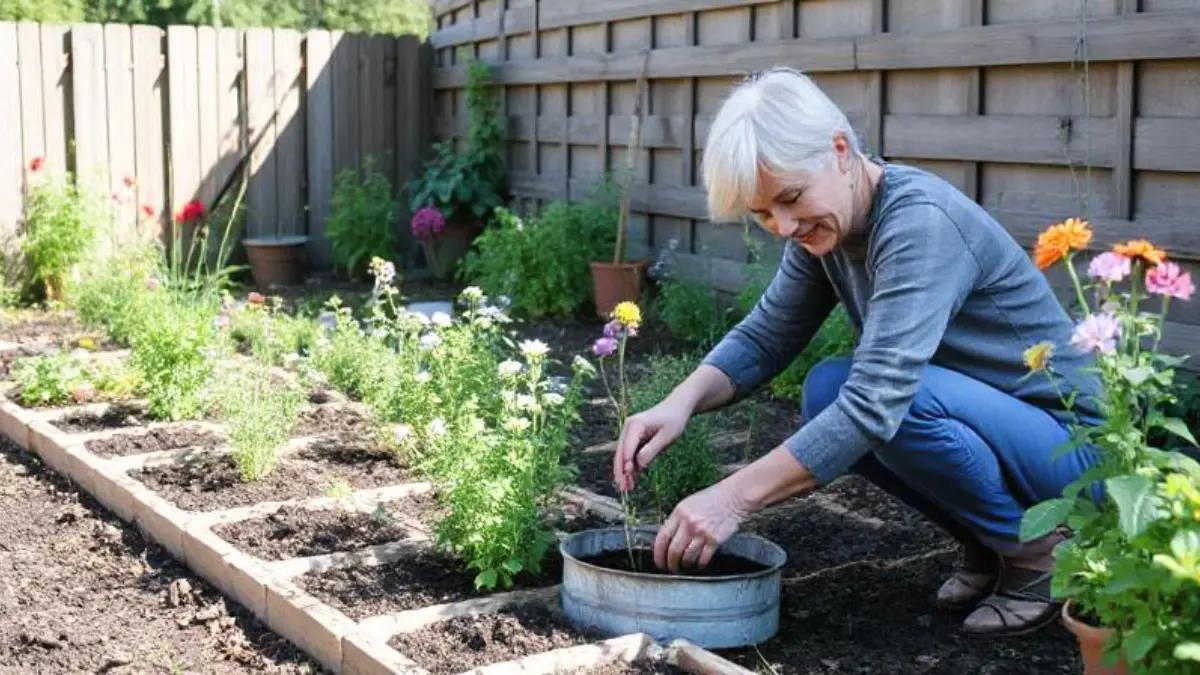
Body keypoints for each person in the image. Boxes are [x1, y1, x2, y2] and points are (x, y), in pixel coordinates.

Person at [611, 66, 1106, 638]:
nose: (784, 225)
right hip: (1007, 433)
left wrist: (731, 499)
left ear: (840, 150)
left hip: (1076, 452)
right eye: (763, 213)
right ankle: (989, 541)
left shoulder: (919, 223)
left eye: (791, 198)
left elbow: (877, 401)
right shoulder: (829, 227)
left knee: (890, 400)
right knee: (827, 390)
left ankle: (1040, 555)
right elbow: (769, 334)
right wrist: (680, 402)